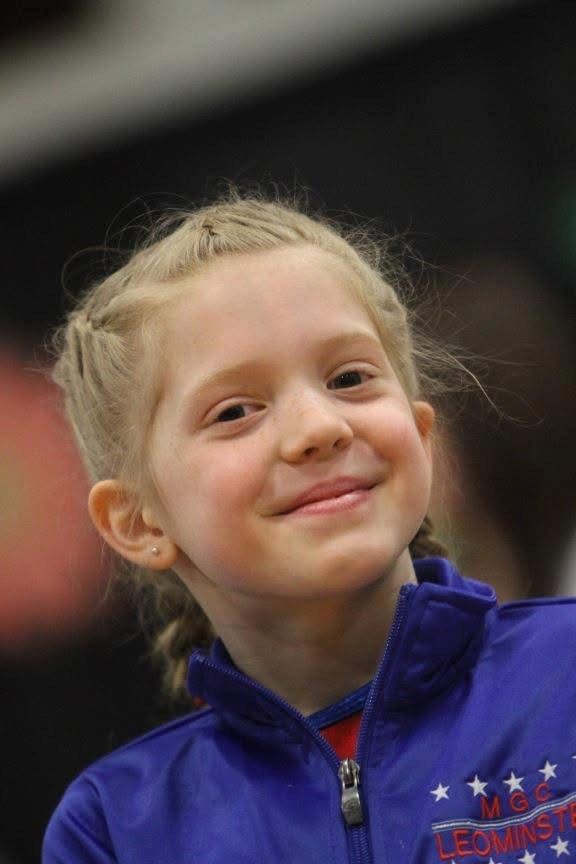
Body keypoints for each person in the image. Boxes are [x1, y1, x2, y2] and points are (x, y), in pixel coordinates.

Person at [43, 193, 576, 864]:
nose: (319, 427)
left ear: (420, 434)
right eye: (235, 411)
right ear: (137, 521)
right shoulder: (115, 831)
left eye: (349, 377)